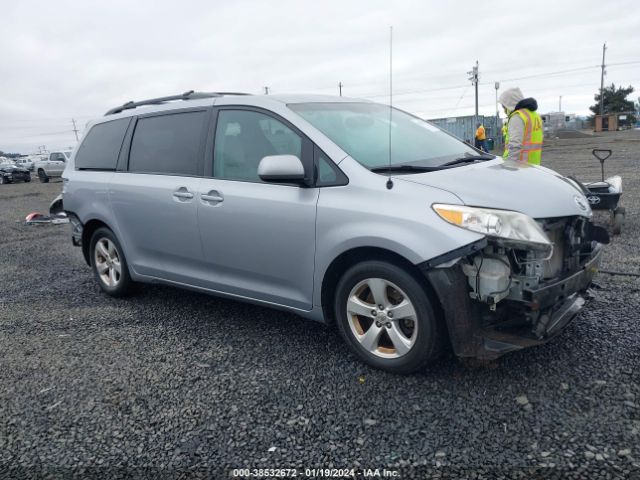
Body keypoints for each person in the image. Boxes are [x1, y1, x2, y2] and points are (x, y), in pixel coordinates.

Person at [498, 87, 543, 165]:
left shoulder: (517, 117)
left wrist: (509, 165)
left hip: (520, 166)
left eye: (504, 106)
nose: (504, 109)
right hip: (534, 165)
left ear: (510, 104)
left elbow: (515, 145)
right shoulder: (535, 115)